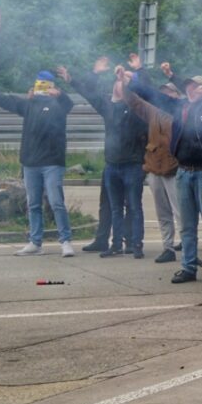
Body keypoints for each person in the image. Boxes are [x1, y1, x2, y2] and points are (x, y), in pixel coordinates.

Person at [129, 66, 202, 285]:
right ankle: (188, 267)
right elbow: (154, 96)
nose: (190, 90)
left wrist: (182, 80)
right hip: (183, 171)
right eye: (188, 86)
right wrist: (132, 81)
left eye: (194, 86)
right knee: (187, 225)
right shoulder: (180, 107)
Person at [0, 70, 76, 257]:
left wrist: (61, 95)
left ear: (52, 87)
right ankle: (35, 242)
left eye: (45, 84)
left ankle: (65, 241)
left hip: (52, 163)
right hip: (30, 163)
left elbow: (69, 104)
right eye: (38, 84)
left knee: (57, 202)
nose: (41, 88)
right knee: (33, 204)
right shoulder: (27, 105)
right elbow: (0, 99)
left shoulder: (59, 105)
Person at [70, 59, 150, 259]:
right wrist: (89, 75)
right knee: (114, 208)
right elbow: (88, 92)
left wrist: (134, 75)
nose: (118, 85)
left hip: (132, 165)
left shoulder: (137, 110)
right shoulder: (107, 107)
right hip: (112, 165)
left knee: (134, 206)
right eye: (117, 82)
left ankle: (135, 244)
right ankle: (115, 245)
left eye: (123, 83)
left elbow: (149, 93)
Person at [125, 75, 181, 263]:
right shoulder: (154, 112)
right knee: (162, 212)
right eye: (162, 91)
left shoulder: (181, 111)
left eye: (168, 91)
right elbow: (136, 104)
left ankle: (189, 248)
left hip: (174, 167)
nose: (164, 94)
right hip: (155, 167)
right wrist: (125, 85)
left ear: (176, 94)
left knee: (180, 211)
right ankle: (168, 247)